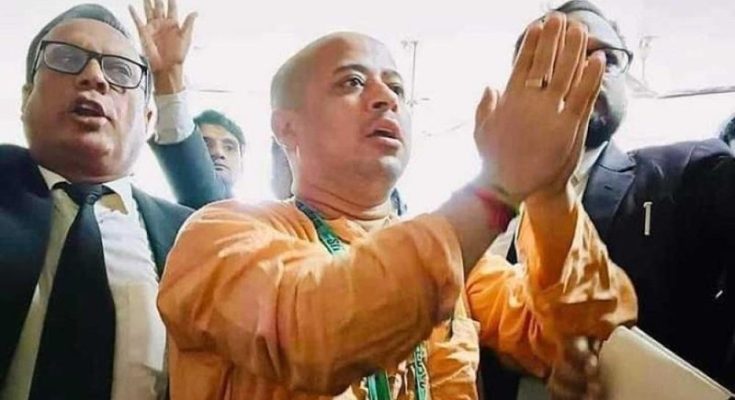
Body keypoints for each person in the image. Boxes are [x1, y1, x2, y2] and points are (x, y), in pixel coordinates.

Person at [158, 14, 637, 399]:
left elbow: (588, 330)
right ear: (287, 128)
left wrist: (549, 192)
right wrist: (498, 188)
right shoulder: (220, 234)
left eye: (397, 89)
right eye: (351, 82)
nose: (385, 98)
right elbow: (316, 330)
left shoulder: (464, 267)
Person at [479, 1, 735, 397]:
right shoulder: (480, 223)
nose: (592, 68)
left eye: (609, 58)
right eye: (565, 54)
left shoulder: (690, 172)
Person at [0, 4, 192, 399]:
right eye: (65, 58)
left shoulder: (186, 234)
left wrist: (170, 83)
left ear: (149, 119)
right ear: (26, 97)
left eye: (120, 70)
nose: (94, 76)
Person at [130, 0, 246, 209]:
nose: (219, 153)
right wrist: (167, 78)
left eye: (229, 147)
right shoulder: (164, 217)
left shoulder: (273, 219)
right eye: (205, 144)